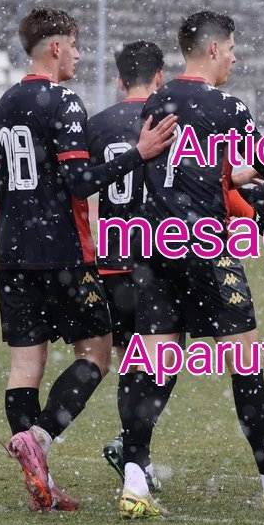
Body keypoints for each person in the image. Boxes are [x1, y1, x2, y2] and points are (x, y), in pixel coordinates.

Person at [119, 11, 264, 518]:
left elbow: (188, 171)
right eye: (231, 48)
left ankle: (134, 482)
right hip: (205, 247)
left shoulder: (157, 100)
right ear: (213, 49)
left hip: (155, 245)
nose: (235, 57)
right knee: (246, 363)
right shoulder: (227, 106)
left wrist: (232, 178)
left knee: (154, 364)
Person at [0, 7, 176, 511]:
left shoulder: (6, 103)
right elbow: (79, 182)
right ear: (55, 47)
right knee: (96, 353)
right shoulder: (63, 100)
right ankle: (41, 437)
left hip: (11, 252)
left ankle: (41, 481)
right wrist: (137, 152)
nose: (77, 54)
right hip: (61, 252)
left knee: (25, 365)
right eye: (73, 45)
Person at [86, 40, 170, 494]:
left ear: (119, 80)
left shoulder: (97, 125)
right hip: (159, 260)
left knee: (132, 361)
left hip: (114, 260)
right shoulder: (171, 120)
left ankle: (134, 453)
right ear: (159, 77)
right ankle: (136, 451)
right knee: (164, 358)